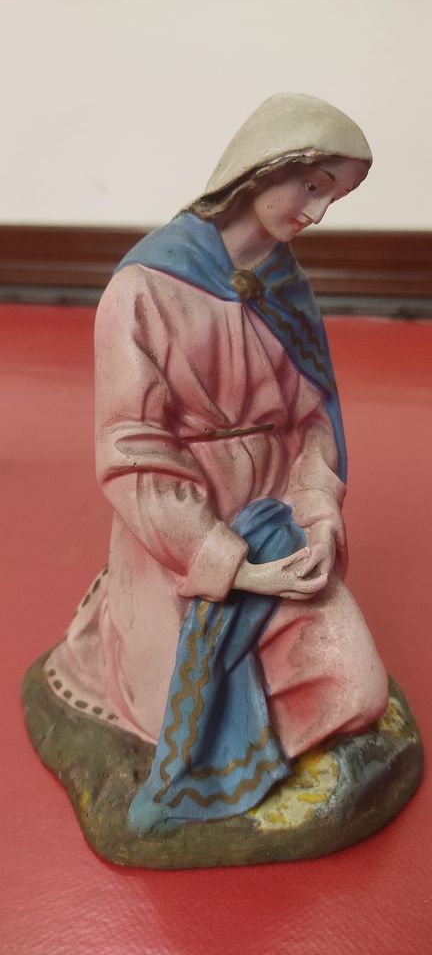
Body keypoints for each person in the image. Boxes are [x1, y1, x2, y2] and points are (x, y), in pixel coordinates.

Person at [44, 93, 388, 831]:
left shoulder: (286, 288)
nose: (318, 212)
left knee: (358, 691)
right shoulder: (144, 288)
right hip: (178, 537)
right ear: (262, 168)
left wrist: (318, 516)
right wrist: (228, 564)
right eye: (312, 185)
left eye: (334, 196)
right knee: (171, 722)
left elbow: (311, 422)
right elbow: (133, 449)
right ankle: (117, 630)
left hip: (278, 518)